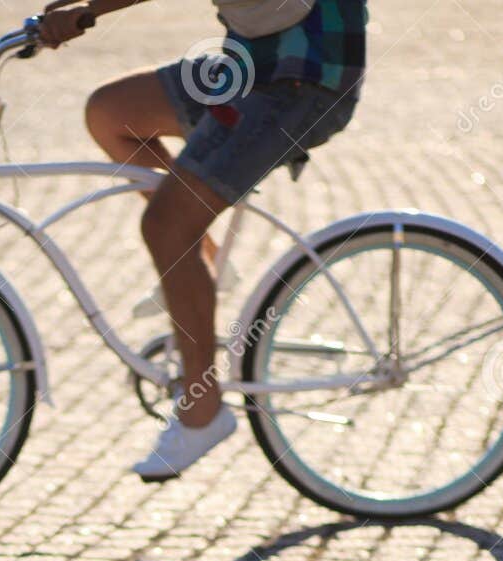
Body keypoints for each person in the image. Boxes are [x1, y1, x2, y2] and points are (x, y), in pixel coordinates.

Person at [38, 1, 367, 481]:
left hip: (301, 79)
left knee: (164, 226)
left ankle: (201, 410)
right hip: (249, 68)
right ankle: (194, 242)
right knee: (112, 112)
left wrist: (89, 9)